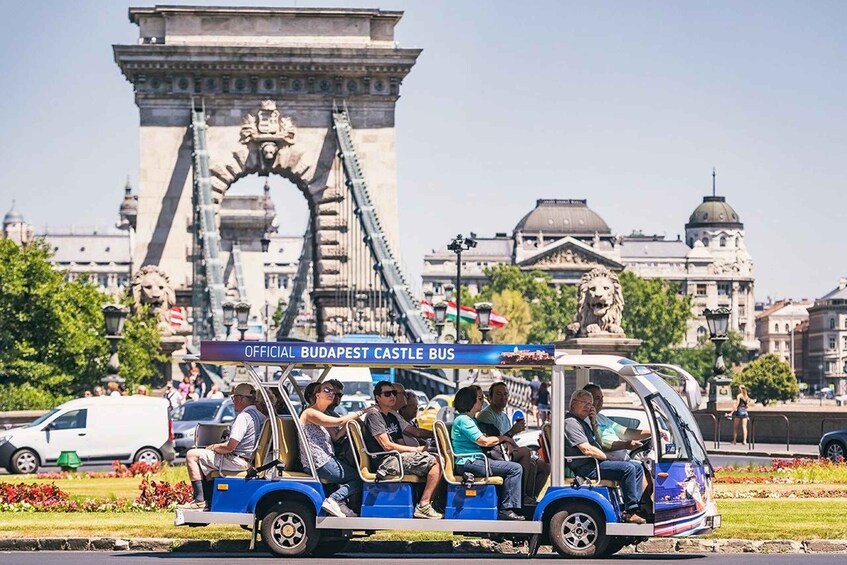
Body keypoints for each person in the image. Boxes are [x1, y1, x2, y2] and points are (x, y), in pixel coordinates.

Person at [179, 383, 268, 510]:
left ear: (240, 398)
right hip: (248, 459)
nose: (233, 402)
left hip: (237, 460)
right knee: (205, 457)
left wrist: (214, 446)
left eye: (234, 398)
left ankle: (199, 500)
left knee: (192, 455)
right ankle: (208, 498)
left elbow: (230, 447)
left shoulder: (243, 417)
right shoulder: (260, 416)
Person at [564, 389, 646, 524]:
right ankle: (631, 511)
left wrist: (594, 421)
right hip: (586, 467)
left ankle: (631, 508)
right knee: (628, 468)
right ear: (573, 404)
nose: (588, 407)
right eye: (584, 403)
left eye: (590, 404)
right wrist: (608, 458)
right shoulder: (571, 422)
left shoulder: (582, 422)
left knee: (637, 467)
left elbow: (598, 442)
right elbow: (586, 449)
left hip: (593, 463)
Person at [363, 381, 443, 519]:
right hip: (386, 461)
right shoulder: (374, 415)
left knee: (435, 456)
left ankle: (432, 502)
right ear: (378, 397)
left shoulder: (392, 416)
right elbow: (387, 445)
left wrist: (418, 450)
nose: (392, 396)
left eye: (394, 393)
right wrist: (416, 450)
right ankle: (424, 505)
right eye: (387, 394)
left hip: (396, 457)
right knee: (437, 461)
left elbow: (399, 442)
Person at [299, 382, 378, 518]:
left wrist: (352, 424)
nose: (331, 394)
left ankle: (340, 503)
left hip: (327, 459)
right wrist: (362, 412)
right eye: (327, 390)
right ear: (317, 395)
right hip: (320, 463)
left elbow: (336, 435)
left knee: (355, 471)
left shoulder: (323, 413)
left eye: (333, 392)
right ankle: (334, 499)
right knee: (360, 478)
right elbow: (339, 422)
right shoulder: (310, 413)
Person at [450, 386, 524, 521]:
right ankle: (507, 509)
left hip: (475, 460)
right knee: (515, 469)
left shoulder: (471, 420)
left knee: (509, 465)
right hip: (469, 462)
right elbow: (483, 441)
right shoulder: (463, 420)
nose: (482, 401)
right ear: (470, 401)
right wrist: (504, 438)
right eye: (479, 399)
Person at [477, 382, 550, 504]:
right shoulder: (487, 415)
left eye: (505, 394)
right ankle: (522, 496)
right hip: (495, 454)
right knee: (526, 454)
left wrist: (513, 435)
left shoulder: (504, 416)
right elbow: (496, 441)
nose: (503, 397)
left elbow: (508, 439)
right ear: (490, 398)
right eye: (499, 394)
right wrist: (512, 431)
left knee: (544, 466)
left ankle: (532, 498)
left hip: (506, 451)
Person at [583, 383, 652, 461]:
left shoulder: (601, 418)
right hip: (606, 462)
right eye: (597, 398)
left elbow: (625, 433)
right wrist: (625, 445)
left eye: (602, 398)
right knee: (635, 467)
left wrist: (653, 432)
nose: (601, 401)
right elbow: (600, 443)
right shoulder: (585, 420)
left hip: (624, 460)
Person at [392, 383, 433, 447]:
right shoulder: (395, 418)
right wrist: (435, 434)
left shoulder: (412, 422)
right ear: (403, 408)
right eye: (412, 405)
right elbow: (417, 433)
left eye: (417, 405)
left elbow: (419, 440)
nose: (416, 408)